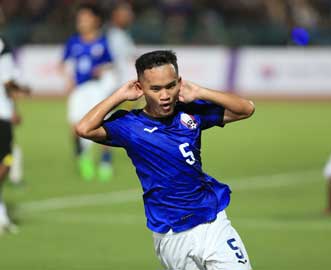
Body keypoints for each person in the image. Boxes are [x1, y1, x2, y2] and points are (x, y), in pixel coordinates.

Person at [76, 50, 255, 269]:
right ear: (140, 89)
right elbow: (84, 128)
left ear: (179, 83)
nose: (165, 95)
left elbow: (246, 109)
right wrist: (119, 95)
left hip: (212, 221)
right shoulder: (129, 125)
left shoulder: (190, 113)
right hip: (172, 233)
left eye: (170, 86)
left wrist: (200, 91)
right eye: (156, 89)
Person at [61, 3, 115, 182]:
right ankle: (82, 158)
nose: (81, 22)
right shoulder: (73, 41)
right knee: (74, 126)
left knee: (102, 123)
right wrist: (68, 79)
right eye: (79, 19)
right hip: (78, 89)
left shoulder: (103, 41)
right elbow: (63, 63)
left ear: (95, 20)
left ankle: (106, 160)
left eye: (85, 18)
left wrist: (102, 69)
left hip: (96, 88)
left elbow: (111, 64)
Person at [0, 35, 29, 234]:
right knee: (6, 161)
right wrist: (23, 89)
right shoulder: (2, 46)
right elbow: (8, 81)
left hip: (4, 111)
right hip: (1, 114)